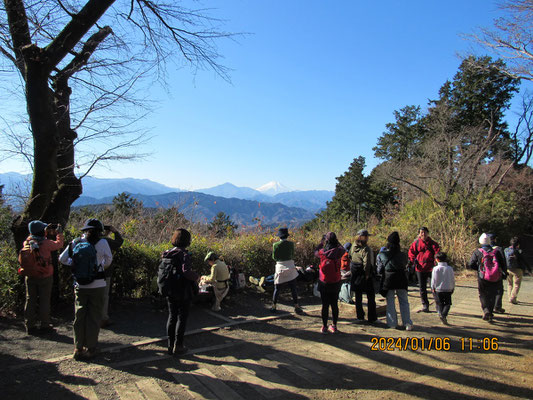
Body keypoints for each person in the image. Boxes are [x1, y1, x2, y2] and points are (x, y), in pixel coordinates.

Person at [59, 219, 112, 360]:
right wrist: (99, 267)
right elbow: (108, 260)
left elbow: (62, 259)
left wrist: (74, 264)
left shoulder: (76, 242)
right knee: (94, 317)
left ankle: (78, 347)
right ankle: (91, 347)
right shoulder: (103, 243)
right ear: (99, 231)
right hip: (98, 284)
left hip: (80, 285)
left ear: (85, 230)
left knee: (80, 316)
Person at [22, 220, 64, 335]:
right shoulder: (46, 244)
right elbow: (59, 244)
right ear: (42, 232)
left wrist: (44, 230)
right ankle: (45, 324)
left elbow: (33, 236)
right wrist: (58, 233)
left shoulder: (27, 242)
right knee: (44, 300)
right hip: (45, 275)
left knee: (30, 299)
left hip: (30, 275)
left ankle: (29, 325)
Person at [161, 228, 198, 355]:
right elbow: (186, 272)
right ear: (187, 241)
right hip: (182, 290)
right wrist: (196, 276)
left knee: (172, 317)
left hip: (170, 289)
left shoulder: (167, 253)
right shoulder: (184, 255)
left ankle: (170, 345)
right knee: (182, 318)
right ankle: (179, 345)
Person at [377, 232, 413, 331]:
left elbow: (379, 269)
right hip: (401, 277)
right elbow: (406, 264)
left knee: (390, 301)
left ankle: (392, 323)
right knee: (404, 301)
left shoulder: (383, 254)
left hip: (389, 278)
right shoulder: (403, 255)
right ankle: (407, 323)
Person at [468, 233, 507, 323]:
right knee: (493, 294)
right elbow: (502, 263)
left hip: (483, 277)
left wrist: (478, 269)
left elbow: (471, 264)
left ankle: (486, 310)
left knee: (483, 294)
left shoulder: (478, 252)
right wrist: (504, 273)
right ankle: (490, 311)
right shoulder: (496, 251)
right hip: (496, 277)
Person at [315, 232, 345, 333]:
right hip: (336, 281)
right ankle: (334, 326)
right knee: (334, 305)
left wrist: (321, 242)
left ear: (326, 241)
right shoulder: (339, 251)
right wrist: (337, 242)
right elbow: (343, 248)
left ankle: (324, 326)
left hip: (324, 282)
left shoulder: (322, 252)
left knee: (325, 305)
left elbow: (315, 251)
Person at [408, 227, 440, 312]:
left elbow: (437, 253)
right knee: (422, 288)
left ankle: (438, 305)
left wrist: (436, 263)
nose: (423, 234)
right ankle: (425, 305)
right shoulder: (416, 243)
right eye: (421, 232)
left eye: (425, 232)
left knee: (433, 287)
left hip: (430, 269)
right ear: (419, 234)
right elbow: (411, 253)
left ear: (428, 233)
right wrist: (412, 262)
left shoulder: (433, 244)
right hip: (420, 268)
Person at [271, 227, 303, 314]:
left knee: (277, 288)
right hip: (290, 266)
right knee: (293, 288)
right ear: (287, 236)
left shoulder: (276, 245)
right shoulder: (291, 244)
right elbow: (292, 255)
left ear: (279, 236)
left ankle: (274, 306)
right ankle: (296, 306)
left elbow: (274, 257)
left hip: (280, 267)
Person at [350, 229, 376, 323]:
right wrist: (367, 275)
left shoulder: (353, 246)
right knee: (371, 296)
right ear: (362, 237)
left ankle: (360, 316)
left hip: (355, 274)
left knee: (358, 296)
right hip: (364, 275)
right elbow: (367, 263)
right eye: (366, 236)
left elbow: (350, 257)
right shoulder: (366, 249)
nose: (368, 238)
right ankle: (372, 317)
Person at [100, 225, 124, 328]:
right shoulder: (106, 241)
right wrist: (115, 231)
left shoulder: (84, 240)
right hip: (104, 272)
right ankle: (103, 318)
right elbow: (119, 242)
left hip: (88, 273)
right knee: (104, 296)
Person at [505, 237, 532, 304]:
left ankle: (509, 297)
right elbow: (524, 261)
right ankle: (513, 298)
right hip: (517, 270)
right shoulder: (518, 251)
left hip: (508, 269)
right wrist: (529, 270)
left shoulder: (506, 250)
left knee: (509, 284)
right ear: (518, 244)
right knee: (516, 285)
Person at [431, 252, 455, 325]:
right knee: (447, 303)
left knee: (440, 303)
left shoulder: (435, 269)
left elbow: (434, 279)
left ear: (437, 259)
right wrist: (453, 287)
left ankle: (441, 314)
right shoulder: (450, 268)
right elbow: (452, 279)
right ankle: (444, 315)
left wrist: (433, 287)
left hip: (438, 289)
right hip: (448, 288)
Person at [487, 234, 507, 314]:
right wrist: (504, 272)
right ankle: (497, 306)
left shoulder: (483, 249)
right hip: (497, 273)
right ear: (494, 240)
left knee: (487, 291)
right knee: (499, 290)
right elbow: (503, 262)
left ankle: (487, 308)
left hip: (486, 273)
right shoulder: (498, 249)